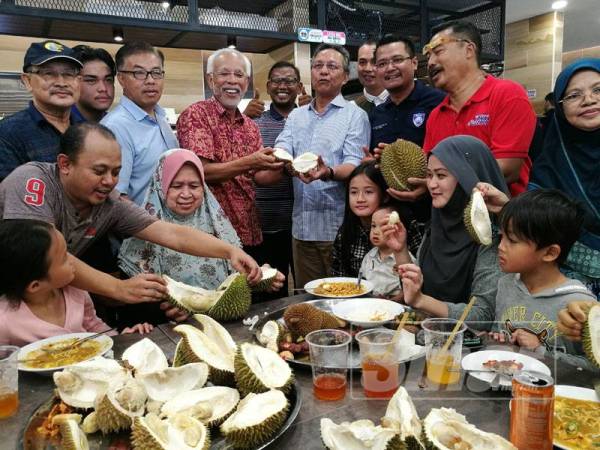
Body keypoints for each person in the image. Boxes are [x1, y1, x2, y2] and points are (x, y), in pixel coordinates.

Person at [0, 123, 261, 314]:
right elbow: (43, 256)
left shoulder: (108, 203)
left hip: (47, 299)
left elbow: (170, 234)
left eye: (116, 172)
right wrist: (117, 287)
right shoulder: (32, 182)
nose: (109, 181)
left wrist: (228, 251)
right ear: (65, 164)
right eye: (99, 171)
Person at [270, 43, 370, 287]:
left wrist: (328, 172)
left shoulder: (355, 115)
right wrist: (288, 166)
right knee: (309, 298)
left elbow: (354, 165)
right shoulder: (296, 115)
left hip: (337, 228)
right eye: (318, 66)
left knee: (343, 296)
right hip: (302, 228)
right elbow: (281, 150)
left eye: (332, 66)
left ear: (346, 77)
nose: (323, 71)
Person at [395, 135, 509, 330]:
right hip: (428, 339)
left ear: (468, 178)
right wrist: (400, 250)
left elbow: (483, 315)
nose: (431, 185)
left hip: (470, 350)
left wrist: (421, 301)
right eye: (429, 175)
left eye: (441, 175)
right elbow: (417, 288)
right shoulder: (437, 223)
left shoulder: (488, 234)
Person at [177, 48, 283, 256]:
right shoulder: (196, 115)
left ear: (247, 82)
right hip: (211, 235)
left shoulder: (250, 126)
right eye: (224, 74)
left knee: (254, 287)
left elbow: (259, 177)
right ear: (210, 80)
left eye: (239, 75)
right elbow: (201, 172)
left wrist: (286, 167)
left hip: (250, 230)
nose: (232, 81)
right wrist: (251, 161)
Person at [422, 20, 536, 196]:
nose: (430, 62)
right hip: (449, 218)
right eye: (428, 55)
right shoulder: (436, 115)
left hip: (500, 216)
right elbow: (431, 170)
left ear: (468, 50)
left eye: (438, 51)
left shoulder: (507, 94)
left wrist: (443, 179)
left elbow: (507, 169)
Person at [488, 189, 597, 370]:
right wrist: (497, 340)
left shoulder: (579, 304)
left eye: (512, 240)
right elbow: (497, 332)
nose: (501, 247)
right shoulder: (506, 284)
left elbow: (593, 368)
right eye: (502, 237)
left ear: (550, 252)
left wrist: (540, 351)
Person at [0, 220, 152, 347]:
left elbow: (94, 327)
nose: (74, 262)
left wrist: (120, 338)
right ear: (35, 286)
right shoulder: (5, 322)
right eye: (64, 259)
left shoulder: (75, 290)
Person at [118, 148, 243, 289]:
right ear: (160, 187)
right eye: (176, 186)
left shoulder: (218, 224)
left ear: (203, 188)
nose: (186, 194)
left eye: (194, 186)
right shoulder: (146, 230)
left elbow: (239, 278)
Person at [529, 58, 600, 297]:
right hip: (568, 287)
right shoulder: (552, 158)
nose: (588, 100)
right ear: (559, 106)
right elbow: (534, 212)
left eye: (597, 90)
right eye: (574, 95)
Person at [101, 41, 178, 205]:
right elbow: (116, 197)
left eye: (156, 72)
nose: (150, 80)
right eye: (139, 73)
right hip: (143, 228)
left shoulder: (161, 117)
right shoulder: (115, 127)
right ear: (121, 78)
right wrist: (158, 229)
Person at [252, 61, 303, 296]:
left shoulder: (308, 121)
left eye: (290, 81)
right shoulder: (255, 123)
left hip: (303, 222)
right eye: (277, 81)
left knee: (305, 287)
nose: (283, 86)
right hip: (266, 222)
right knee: (272, 290)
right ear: (268, 86)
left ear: (299, 86)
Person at [0, 40, 83, 181]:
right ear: (27, 81)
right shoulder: (8, 134)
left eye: (69, 74)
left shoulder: (87, 129)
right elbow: (9, 197)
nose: (61, 83)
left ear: (79, 81)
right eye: (49, 73)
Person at [331, 161, 420, 277]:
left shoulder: (404, 226)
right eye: (353, 192)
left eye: (368, 192)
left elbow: (421, 274)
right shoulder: (345, 233)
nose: (360, 199)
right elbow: (339, 277)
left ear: (385, 196)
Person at [369, 34, 444, 150]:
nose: (390, 68)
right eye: (382, 64)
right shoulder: (376, 115)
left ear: (414, 63)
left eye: (397, 60)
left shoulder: (438, 102)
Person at [360, 205, 414, 300]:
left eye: (383, 226)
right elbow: (362, 282)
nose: (375, 232)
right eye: (373, 226)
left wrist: (395, 300)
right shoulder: (369, 256)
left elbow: (413, 287)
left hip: (398, 303)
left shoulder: (405, 257)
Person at [71, 45, 116, 123]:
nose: (103, 89)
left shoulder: (115, 123)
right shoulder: (60, 125)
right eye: (91, 80)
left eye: (108, 80)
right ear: (73, 83)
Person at [353, 40, 388, 114]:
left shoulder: (402, 100)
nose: (368, 69)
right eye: (362, 62)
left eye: (374, 62)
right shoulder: (352, 109)